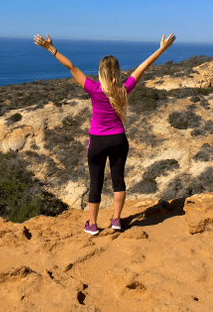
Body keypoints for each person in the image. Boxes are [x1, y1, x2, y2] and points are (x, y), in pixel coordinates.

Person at [34, 33, 176, 235]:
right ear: (117, 72)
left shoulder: (93, 88)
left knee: (96, 182)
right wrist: (161, 49)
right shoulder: (124, 88)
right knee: (118, 180)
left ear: (100, 72)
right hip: (118, 139)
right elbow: (143, 67)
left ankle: (92, 224)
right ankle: (116, 220)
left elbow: (71, 67)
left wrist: (51, 48)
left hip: (97, 142)